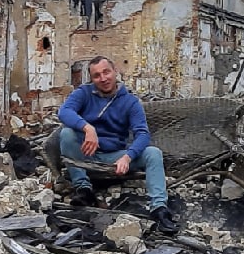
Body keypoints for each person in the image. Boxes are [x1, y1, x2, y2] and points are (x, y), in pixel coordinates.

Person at [57, 55, 178, 235]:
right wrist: (88, 128)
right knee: (66, 133)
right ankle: (83, 189)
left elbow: (142, 134)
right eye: (97, 75)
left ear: (115, 72)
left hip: (115, 157)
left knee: (153, 153)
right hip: (86, 154)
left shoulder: (130, 101)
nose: (103, 78)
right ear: (92, 79)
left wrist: (127, 156)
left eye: (106, 72)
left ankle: (159, 209)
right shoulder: (83, 93)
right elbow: (64, 111)